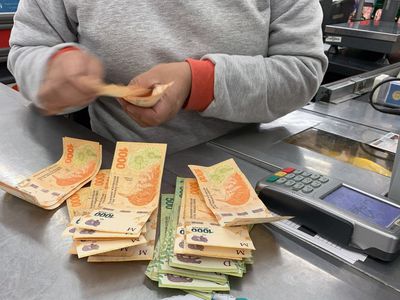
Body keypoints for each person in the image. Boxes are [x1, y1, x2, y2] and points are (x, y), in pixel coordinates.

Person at [8, 0, 328, 153]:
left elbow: (301, 69)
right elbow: (29, 46)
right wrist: (50, 68)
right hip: (113, 161)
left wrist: (198, 82)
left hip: (241, 164)